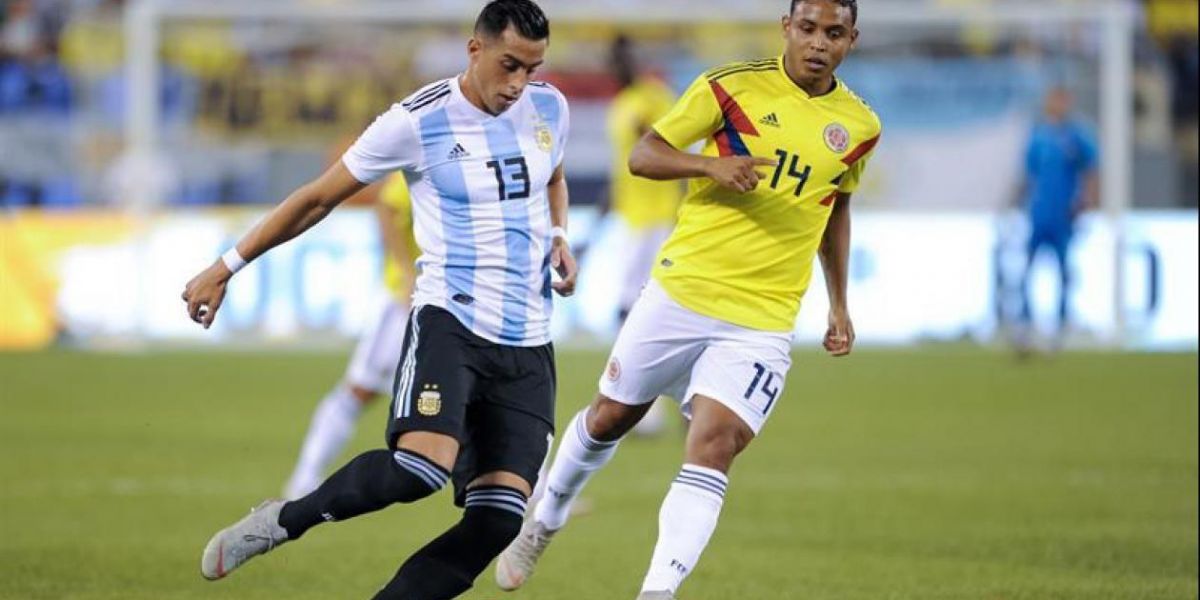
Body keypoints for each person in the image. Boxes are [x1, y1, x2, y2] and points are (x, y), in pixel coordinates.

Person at [181, 2, 578, 598]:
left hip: (528, 340)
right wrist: (227, 265)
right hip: (453, 319)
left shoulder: (550, 106)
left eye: (532, 67)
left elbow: (553, 175)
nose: (519, 82)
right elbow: (318, 199)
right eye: (509, 64)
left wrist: (558, 235)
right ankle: (282, 521)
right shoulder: (416, 122)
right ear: (475, 51)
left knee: (498, 518)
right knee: (419, 468)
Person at [495, 1, 880, 598]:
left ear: (852, 39)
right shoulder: (730, 88)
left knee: (716, 442)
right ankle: (543, 519)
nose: (818, 44)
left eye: (833, 33)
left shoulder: (859, 126)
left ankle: (657, 591)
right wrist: (710, 167)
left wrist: (839, 303)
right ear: (787, 28)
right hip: (684, 288)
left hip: (763, 316)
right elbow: (643, 155)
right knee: (609, 417)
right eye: (807, 29)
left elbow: (837, 211)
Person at [282, 173, 418, 500]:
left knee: (482, 394)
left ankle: (535, 489)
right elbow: (386, 205)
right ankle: (304, 481)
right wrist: (405, 270)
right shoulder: (435, 148)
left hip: (451, 303)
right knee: (359, 390)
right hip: (408, 303)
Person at [604, 34, 681, 437]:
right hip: (631, 220)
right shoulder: (617, 106)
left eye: (626, 56)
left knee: (643, 309)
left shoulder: (654, 95)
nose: (621, 64)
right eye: (614, 58)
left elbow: (674, 147)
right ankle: (639, 405)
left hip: (659, 218)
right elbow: (623, 168)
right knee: (631, 310)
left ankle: (646, 408)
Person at [1016, 86, 1098, 349]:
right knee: (1028, 269)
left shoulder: (1076, 136)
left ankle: (1062, 324)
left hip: (1063, 214)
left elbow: (1092, 168)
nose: (1057, 105)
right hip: (1039, 213)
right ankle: (1026, 325)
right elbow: (1028, 175)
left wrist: (1086, 200)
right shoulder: (1038, 136)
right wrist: (1018, 205)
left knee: (1063, 271)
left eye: (1061, 100)